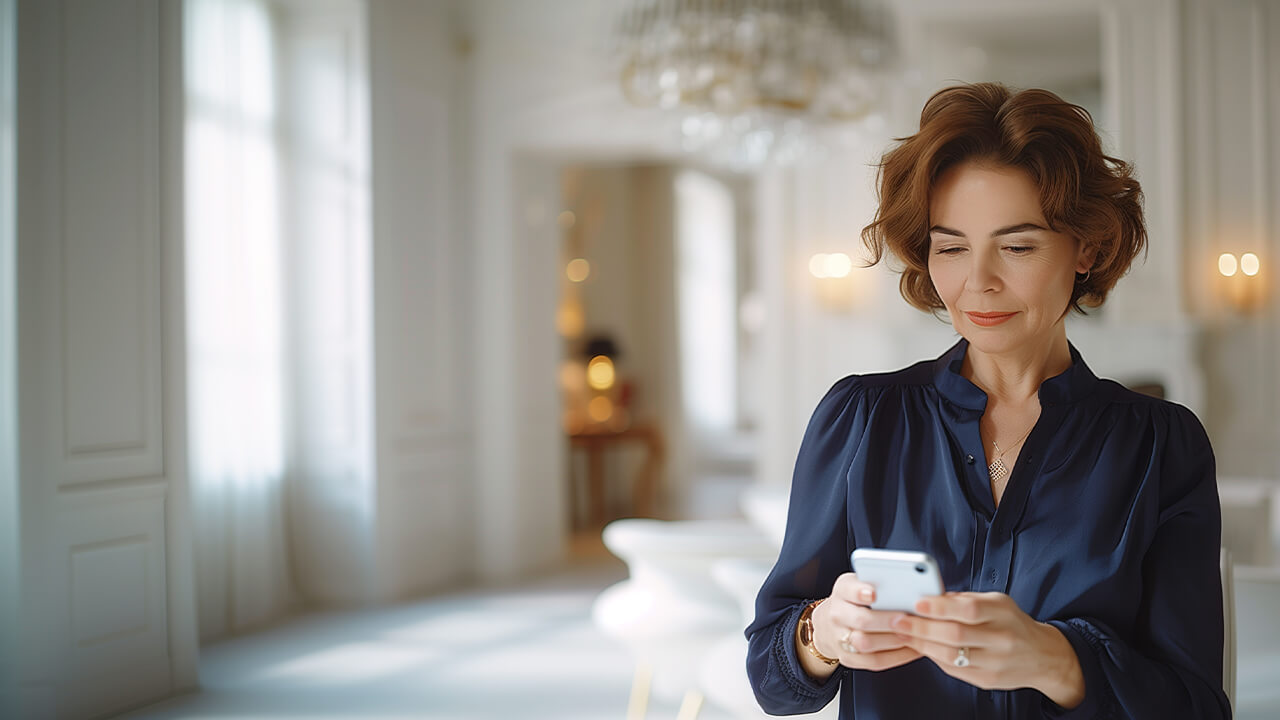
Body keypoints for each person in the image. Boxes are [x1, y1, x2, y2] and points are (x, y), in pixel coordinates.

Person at [745, 82, 1231, 719]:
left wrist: (1057, 660)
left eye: (1018, 245)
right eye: (950, 247)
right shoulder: (861, 419)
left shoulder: (1159, 445)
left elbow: (1196, 706)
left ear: (1087, 247)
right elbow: (771, 680)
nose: (978, 282)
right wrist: (824, 633)